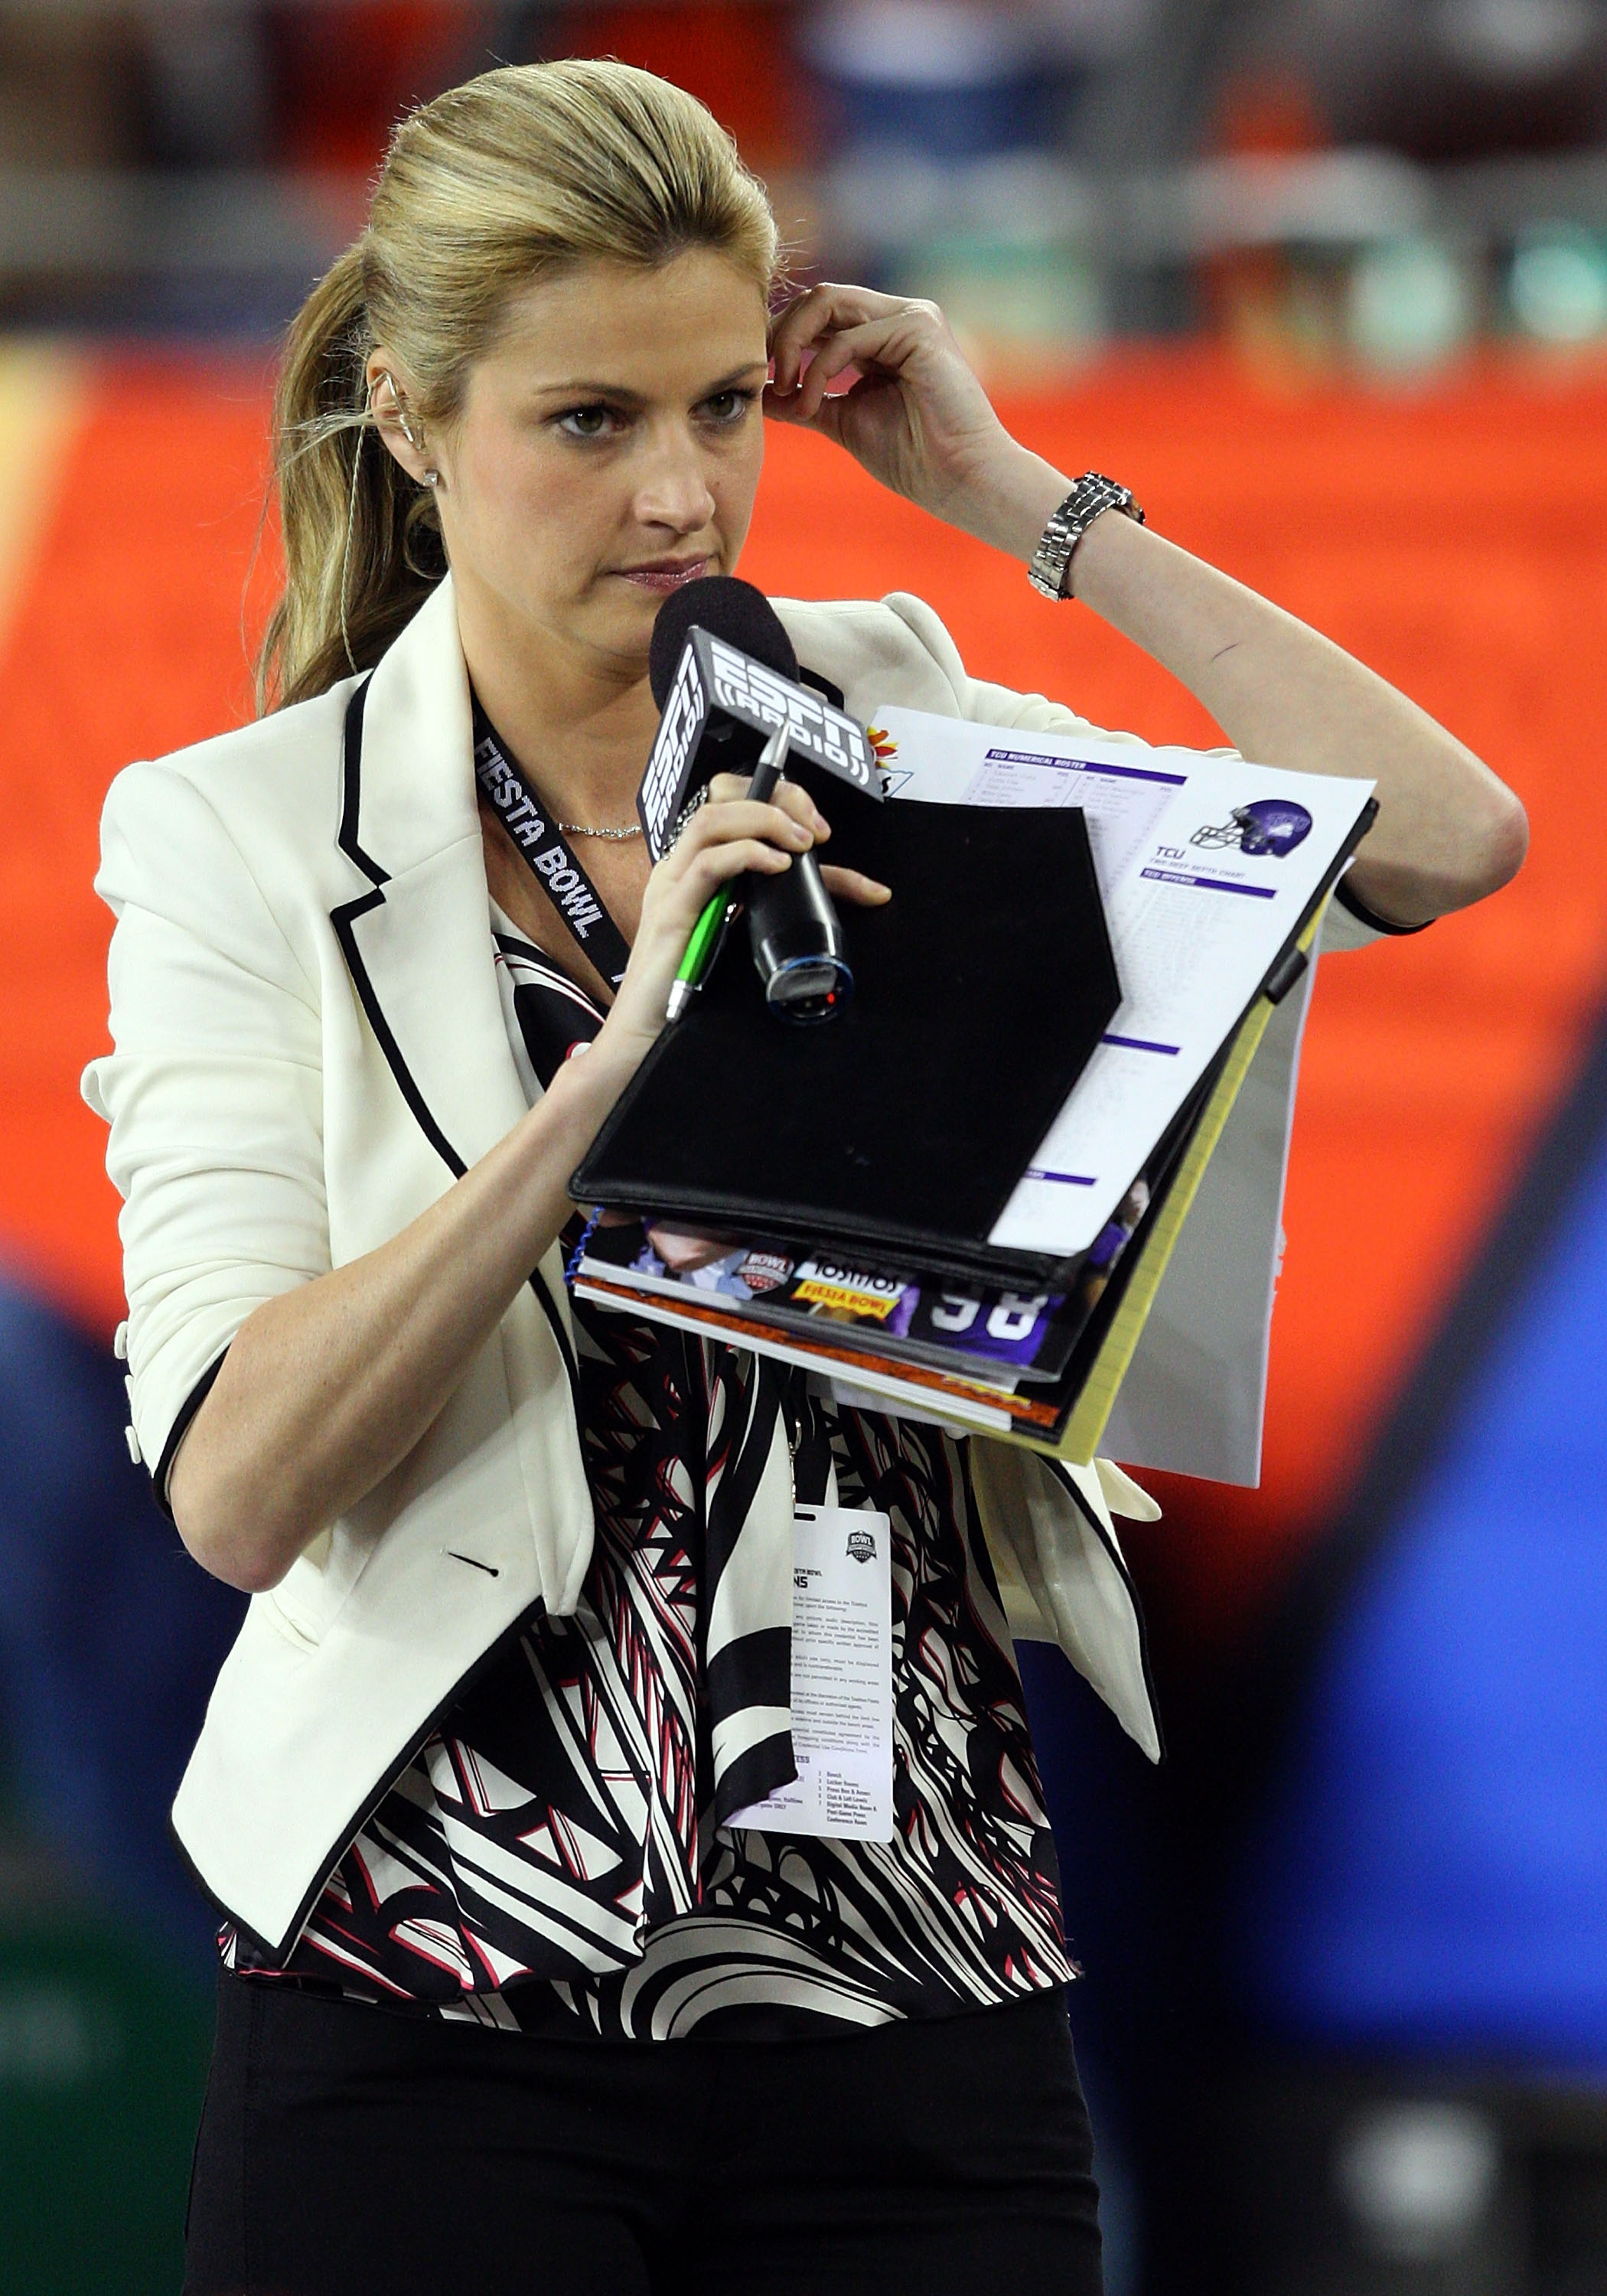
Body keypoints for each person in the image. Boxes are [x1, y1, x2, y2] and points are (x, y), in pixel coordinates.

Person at [82, 58, 1525, 2296]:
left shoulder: (880, 717)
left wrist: (1013, 490)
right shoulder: (238, 836)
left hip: (917, 1957)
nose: (680, 497)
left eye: (721, 411)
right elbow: (240, 1494)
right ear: (407, 408)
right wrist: (612, 1078)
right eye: (588, 422)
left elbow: (1437, 842)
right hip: (433, 1985)